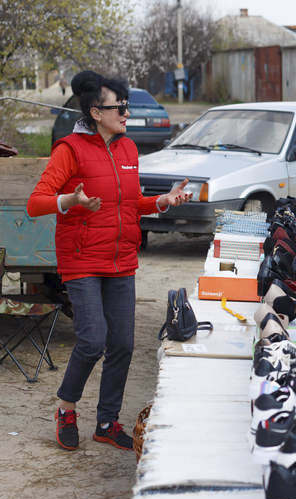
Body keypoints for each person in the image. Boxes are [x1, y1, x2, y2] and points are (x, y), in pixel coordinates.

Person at [27, 71, 192, 451]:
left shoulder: (128, 149)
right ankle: (67, 408)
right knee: (92, 340)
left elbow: (130, 203)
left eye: (126, 105)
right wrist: (70, 201)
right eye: (119, 106)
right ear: (95, 112)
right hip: (82, 259)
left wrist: (161, 201)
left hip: (121, 259)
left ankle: (106, 421)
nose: (126, 112)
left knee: (123, 344)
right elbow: (36, 204)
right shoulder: (69, 150)